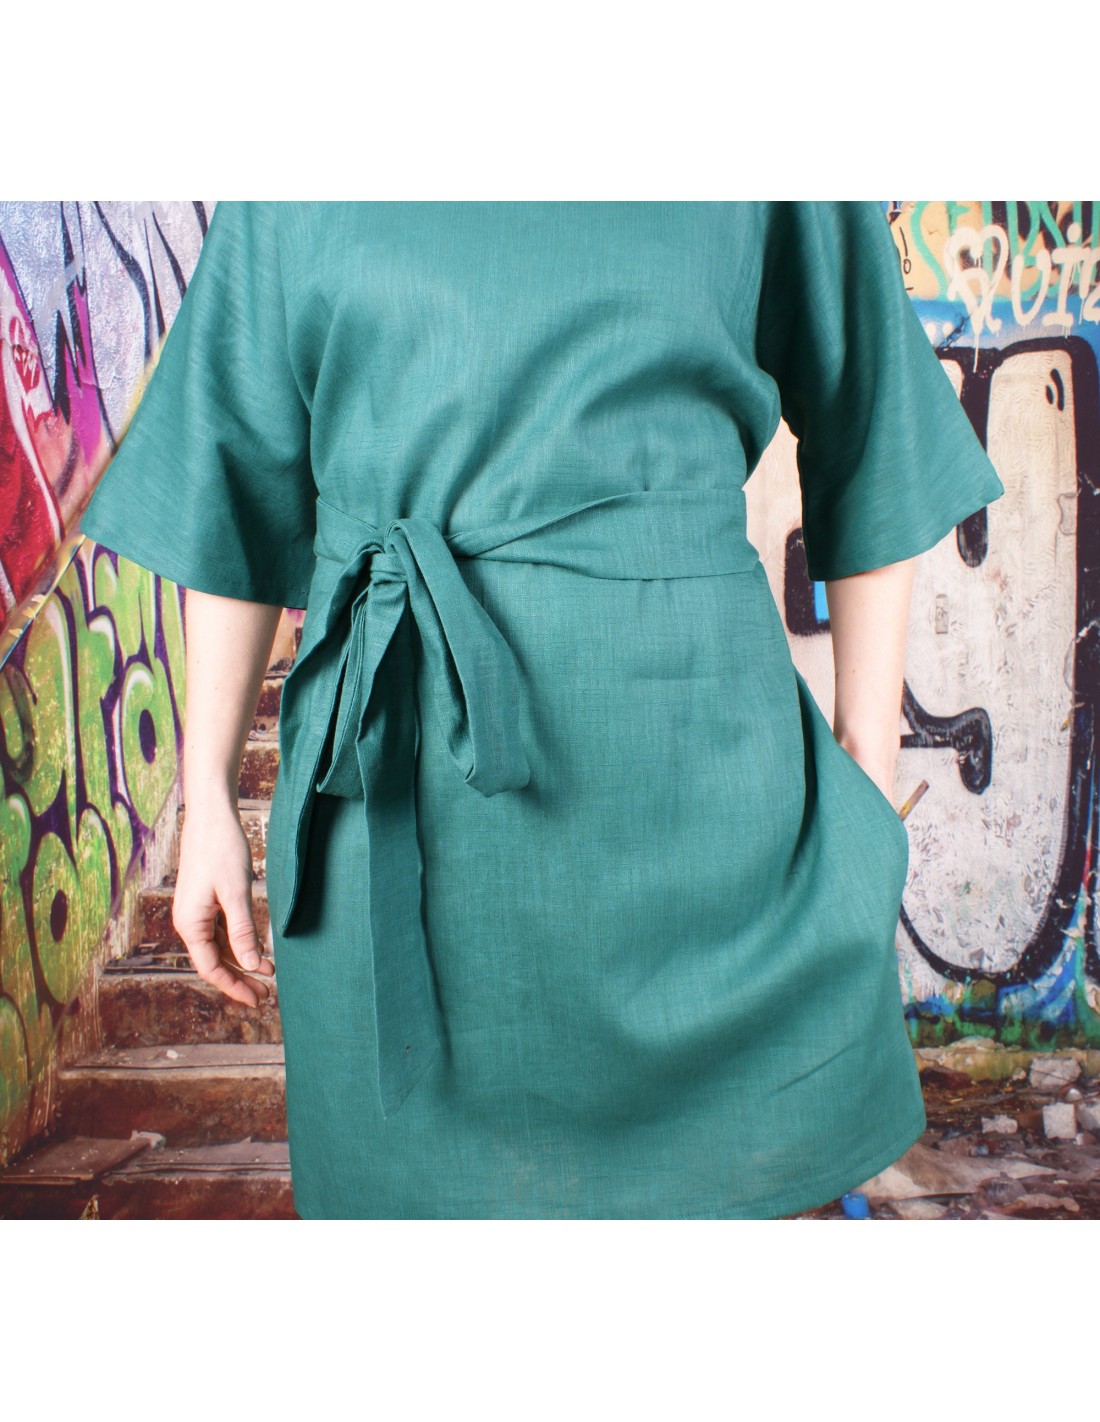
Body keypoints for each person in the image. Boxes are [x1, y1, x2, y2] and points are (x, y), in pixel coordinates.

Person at [79, 199, 1006, 1219]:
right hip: (391, 809)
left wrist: (866, 767)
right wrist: (206, 791)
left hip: (700, 823)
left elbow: (871, 421)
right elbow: (229, 465)